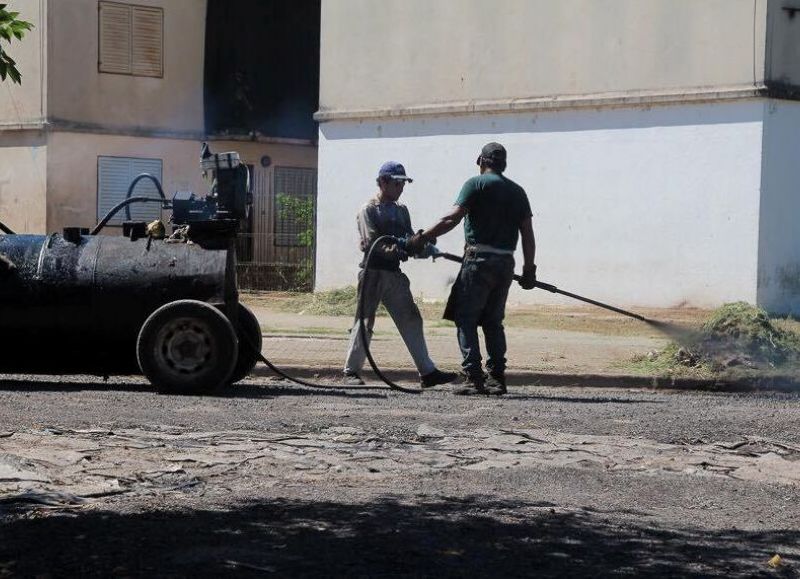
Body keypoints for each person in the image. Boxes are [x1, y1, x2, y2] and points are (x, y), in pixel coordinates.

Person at [406, 143, 537, 396]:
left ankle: (473, 377)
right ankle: (497, 378)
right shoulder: (518, 192)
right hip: (505, 264)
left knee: (466, 318)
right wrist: (529, 270)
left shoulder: (475, 184)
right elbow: (528, 235)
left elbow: (451, 219)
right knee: (493, 321)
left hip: (479, 262)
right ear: (504, 165)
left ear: (480, 161)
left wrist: (421, 238)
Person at [342, 161, 458, 388]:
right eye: (397, 183)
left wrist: (423, 246)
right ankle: (351, 372)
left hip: (394, 274)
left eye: (403, 184)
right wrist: (404, 248)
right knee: (364, 321)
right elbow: (372, 244)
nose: (401, 188)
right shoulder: (368, 209)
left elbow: (409, 237)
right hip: (373, 273)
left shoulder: (401, 210)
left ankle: (428, 372)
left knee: (412, 319)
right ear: (383, 182)